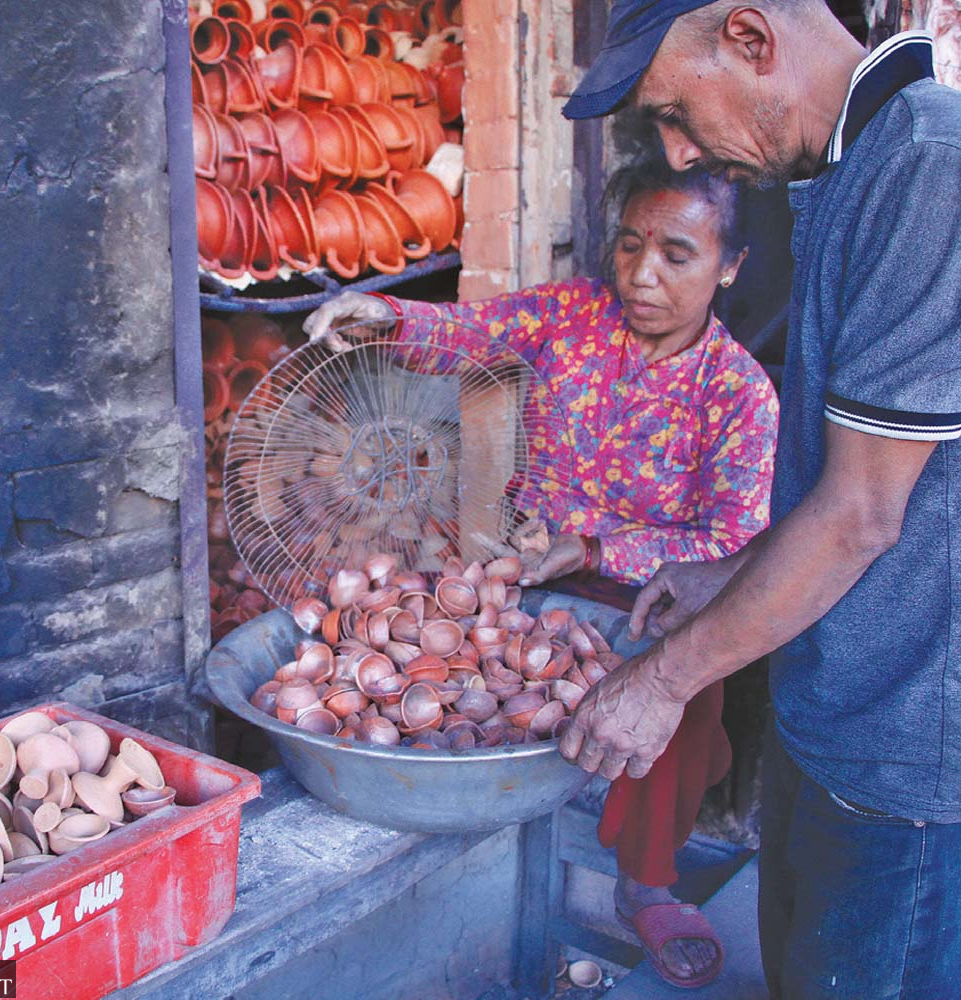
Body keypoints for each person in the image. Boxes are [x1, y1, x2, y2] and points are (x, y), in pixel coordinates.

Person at [557, 2, 961, 998]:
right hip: (851, 717)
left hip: (918, 753)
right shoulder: (870, 166)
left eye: (678, 112)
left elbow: (863, 515)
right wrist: (729, 575)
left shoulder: (937, 172)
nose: (685, 151)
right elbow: (884, 480)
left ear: (750, 39)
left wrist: (662, 681)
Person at [304, 161, 778, 988]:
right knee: (451, 656)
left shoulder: (738, 395)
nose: (641, 275)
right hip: (527, 573)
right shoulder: (573, 314)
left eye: (676, 254)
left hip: (651, 598)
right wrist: (385, 315)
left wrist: (594, 550)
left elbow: (733, 542)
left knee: (678, 688)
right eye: (628, 246)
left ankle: (645, 879)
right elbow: (477, 330)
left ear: (728, 266)